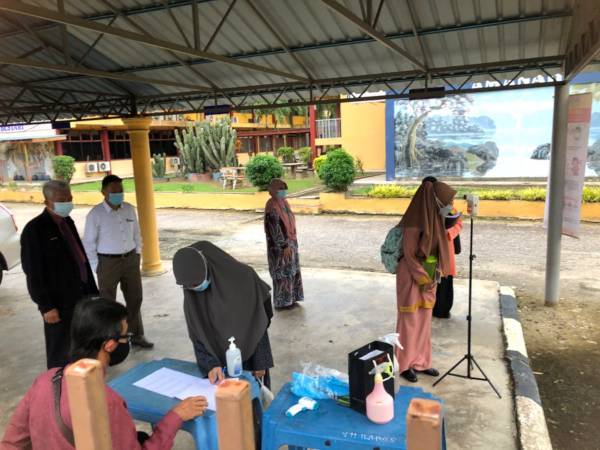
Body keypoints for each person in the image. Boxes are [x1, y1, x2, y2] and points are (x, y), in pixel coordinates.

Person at [1, 298, 207, 449]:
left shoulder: (46, 380)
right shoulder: (105, 401)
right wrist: (177, 415)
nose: (126, 342)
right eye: (125, 336)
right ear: (109, 345)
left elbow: (11, 442)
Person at [173, 241, 274, 387]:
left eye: (197, 284)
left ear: (209, 267)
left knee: (252, 399)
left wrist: (260, 361)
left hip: (251, 356)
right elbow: (197, 335)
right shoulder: (191, 293)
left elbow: (260, 320)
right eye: (188, 286)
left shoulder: (244, 277)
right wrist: (210, 364)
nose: (194, 289)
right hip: (219, 365)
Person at [21, 180, 98, 369]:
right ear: (47, 201)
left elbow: (80, 258)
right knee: (60, 351)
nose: (67, 202)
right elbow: (33, 272)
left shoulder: (67, 221)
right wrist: (46, 306)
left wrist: (93, 292)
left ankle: (81, 382)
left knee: (82, 344)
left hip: (81, 295)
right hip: (58, 303)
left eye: (69, 198)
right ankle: (58, 389)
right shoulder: (35, 230)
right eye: (61, 199)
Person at [395, 179, 457, 383]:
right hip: (412, 277)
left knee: (424, 321)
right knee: (409, 322)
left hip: (429, 278)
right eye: (446, 202)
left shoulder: (436, 221)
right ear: (435, 201)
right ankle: (404, 364)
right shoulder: (413, 222)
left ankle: (422, 362)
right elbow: (409, 255)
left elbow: (440, 252)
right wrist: (422, 277)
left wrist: (435, 275)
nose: (449, 206)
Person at [83, 175, 153, 349]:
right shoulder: (95, 214)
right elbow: (89, 242)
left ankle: (136, 335)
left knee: (135, 298)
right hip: (107, 263)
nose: (117, 193)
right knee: (108, 303)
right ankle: (111, 340)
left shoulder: (129, 209)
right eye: (113, 190)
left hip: (130, 260)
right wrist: (96, 266)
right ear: (103, 192)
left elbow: (137, 233)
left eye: (120, 190)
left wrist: (137, 254)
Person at [264, 178, 304, 309]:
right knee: (282, 273)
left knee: (292, 271)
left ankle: (292, 298)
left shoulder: (284, 203)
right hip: (279, 247)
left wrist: (292, 242)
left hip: (291, 242)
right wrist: (283, 245)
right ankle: (282, 302)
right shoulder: (272, 206)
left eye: (284, 188)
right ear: (273, 190)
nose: (283, 191)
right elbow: (274, 228)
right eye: (280, 189)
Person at [433, 208, 462, 319]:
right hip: (436, 249)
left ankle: (441, 310)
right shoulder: (431, 208)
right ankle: (436, 309)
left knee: (443, 279)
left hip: (445, 247)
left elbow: (459, 223)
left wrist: (448, 232)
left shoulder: (451, 209)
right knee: (436, 278)